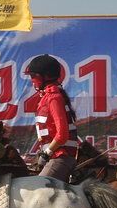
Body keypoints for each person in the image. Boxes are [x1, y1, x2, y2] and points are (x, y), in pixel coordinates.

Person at [24, 54, 79, 182]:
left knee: (39, 190)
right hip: (54, 156)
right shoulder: (47, 97)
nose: (32, 80)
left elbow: (62, 135)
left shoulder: (54, 98)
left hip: (60, 157)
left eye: (33, 76)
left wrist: (47, 152)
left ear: (46, 76)